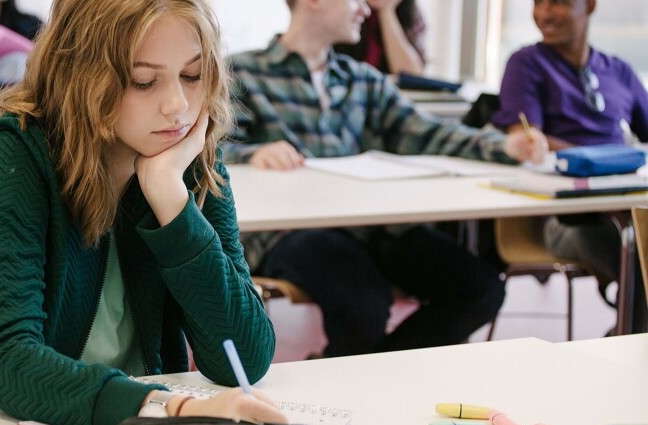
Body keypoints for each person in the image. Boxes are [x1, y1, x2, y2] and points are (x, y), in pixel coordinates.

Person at [0, 0, 286, 425]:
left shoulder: (187, 159)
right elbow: (6, 363)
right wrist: (169, 408)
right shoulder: (12, 155)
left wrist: (172, 201)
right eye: (143, 81)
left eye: (192, 75)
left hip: (118, 418)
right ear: (85, 77)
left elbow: (245, 356)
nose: (177, 105)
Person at [223, 0, 548, 358]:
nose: (365, 9)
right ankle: (352, 383)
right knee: (363, 303)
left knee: (480, 289)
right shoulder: (242, 72)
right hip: (290, 233)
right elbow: (207, 150)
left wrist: (506, 146)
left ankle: (370, 372)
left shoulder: (362, 79)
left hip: (370, 225)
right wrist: (251, 154)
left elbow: (428, 132)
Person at [492, 0, 648, 333]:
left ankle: (625, 339)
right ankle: (626, 342)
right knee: (636, 254)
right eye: (538, 3)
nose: (545, 13)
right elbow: (526, 140)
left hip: (626, 207)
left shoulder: (617, 70)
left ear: (589, 5)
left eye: (559, 3)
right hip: (565, 218)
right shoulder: (526, 65)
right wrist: (607, 157)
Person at [334, 0, 426, 75]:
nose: (365, 11)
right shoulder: (345, 7)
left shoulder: (410, 12)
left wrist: (386, 10)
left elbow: (412, 75)